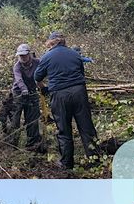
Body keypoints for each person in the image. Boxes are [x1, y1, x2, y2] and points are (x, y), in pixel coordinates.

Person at [33, 32, 98, 170]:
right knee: (86, 126)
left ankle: (67, 163)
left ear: (51, 43)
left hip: (60, 95)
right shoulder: (75, 54)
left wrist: (44, 88)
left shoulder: (47, 57)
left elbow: (37, 76)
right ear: (63, 42)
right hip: (79, 92)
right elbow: (81, 73)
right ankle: (95, 160)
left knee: (64, 129)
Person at [4, 43, 43, 151]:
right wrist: (24, 89)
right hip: (18, 94)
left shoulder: (37, 62)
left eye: (24, 55)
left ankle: (33, 145)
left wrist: (43, 86)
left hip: (32, 93)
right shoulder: (17, 66)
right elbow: (19, 79)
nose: (22, 58)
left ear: (29, 54)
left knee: (32, 120)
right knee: (14, 120)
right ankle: (12, 145)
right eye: (20, 56)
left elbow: (43, 71)